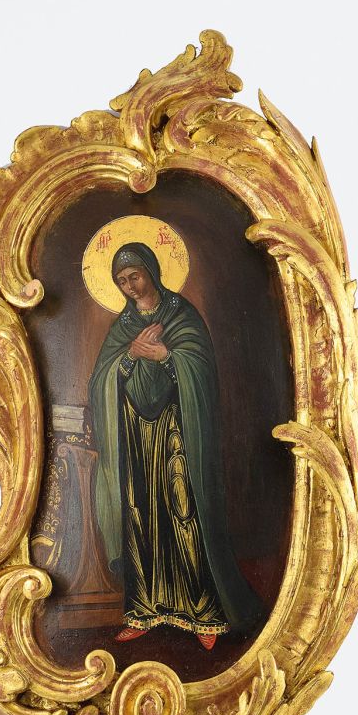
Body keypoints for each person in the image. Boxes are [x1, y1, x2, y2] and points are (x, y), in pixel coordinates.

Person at [88, 242, 265, 650]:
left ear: (151, 270)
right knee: (141, 517)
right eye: (121, 281)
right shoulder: (123, 325)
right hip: (136, 437)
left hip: (176, 430)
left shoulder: (180, 314)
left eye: (134, 276)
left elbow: (200, 369)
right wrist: (130, 356)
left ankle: (203, 613)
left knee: (185, 513)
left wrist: (166, 355)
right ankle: (145, 610)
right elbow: (102, 380)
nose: (130, 286)